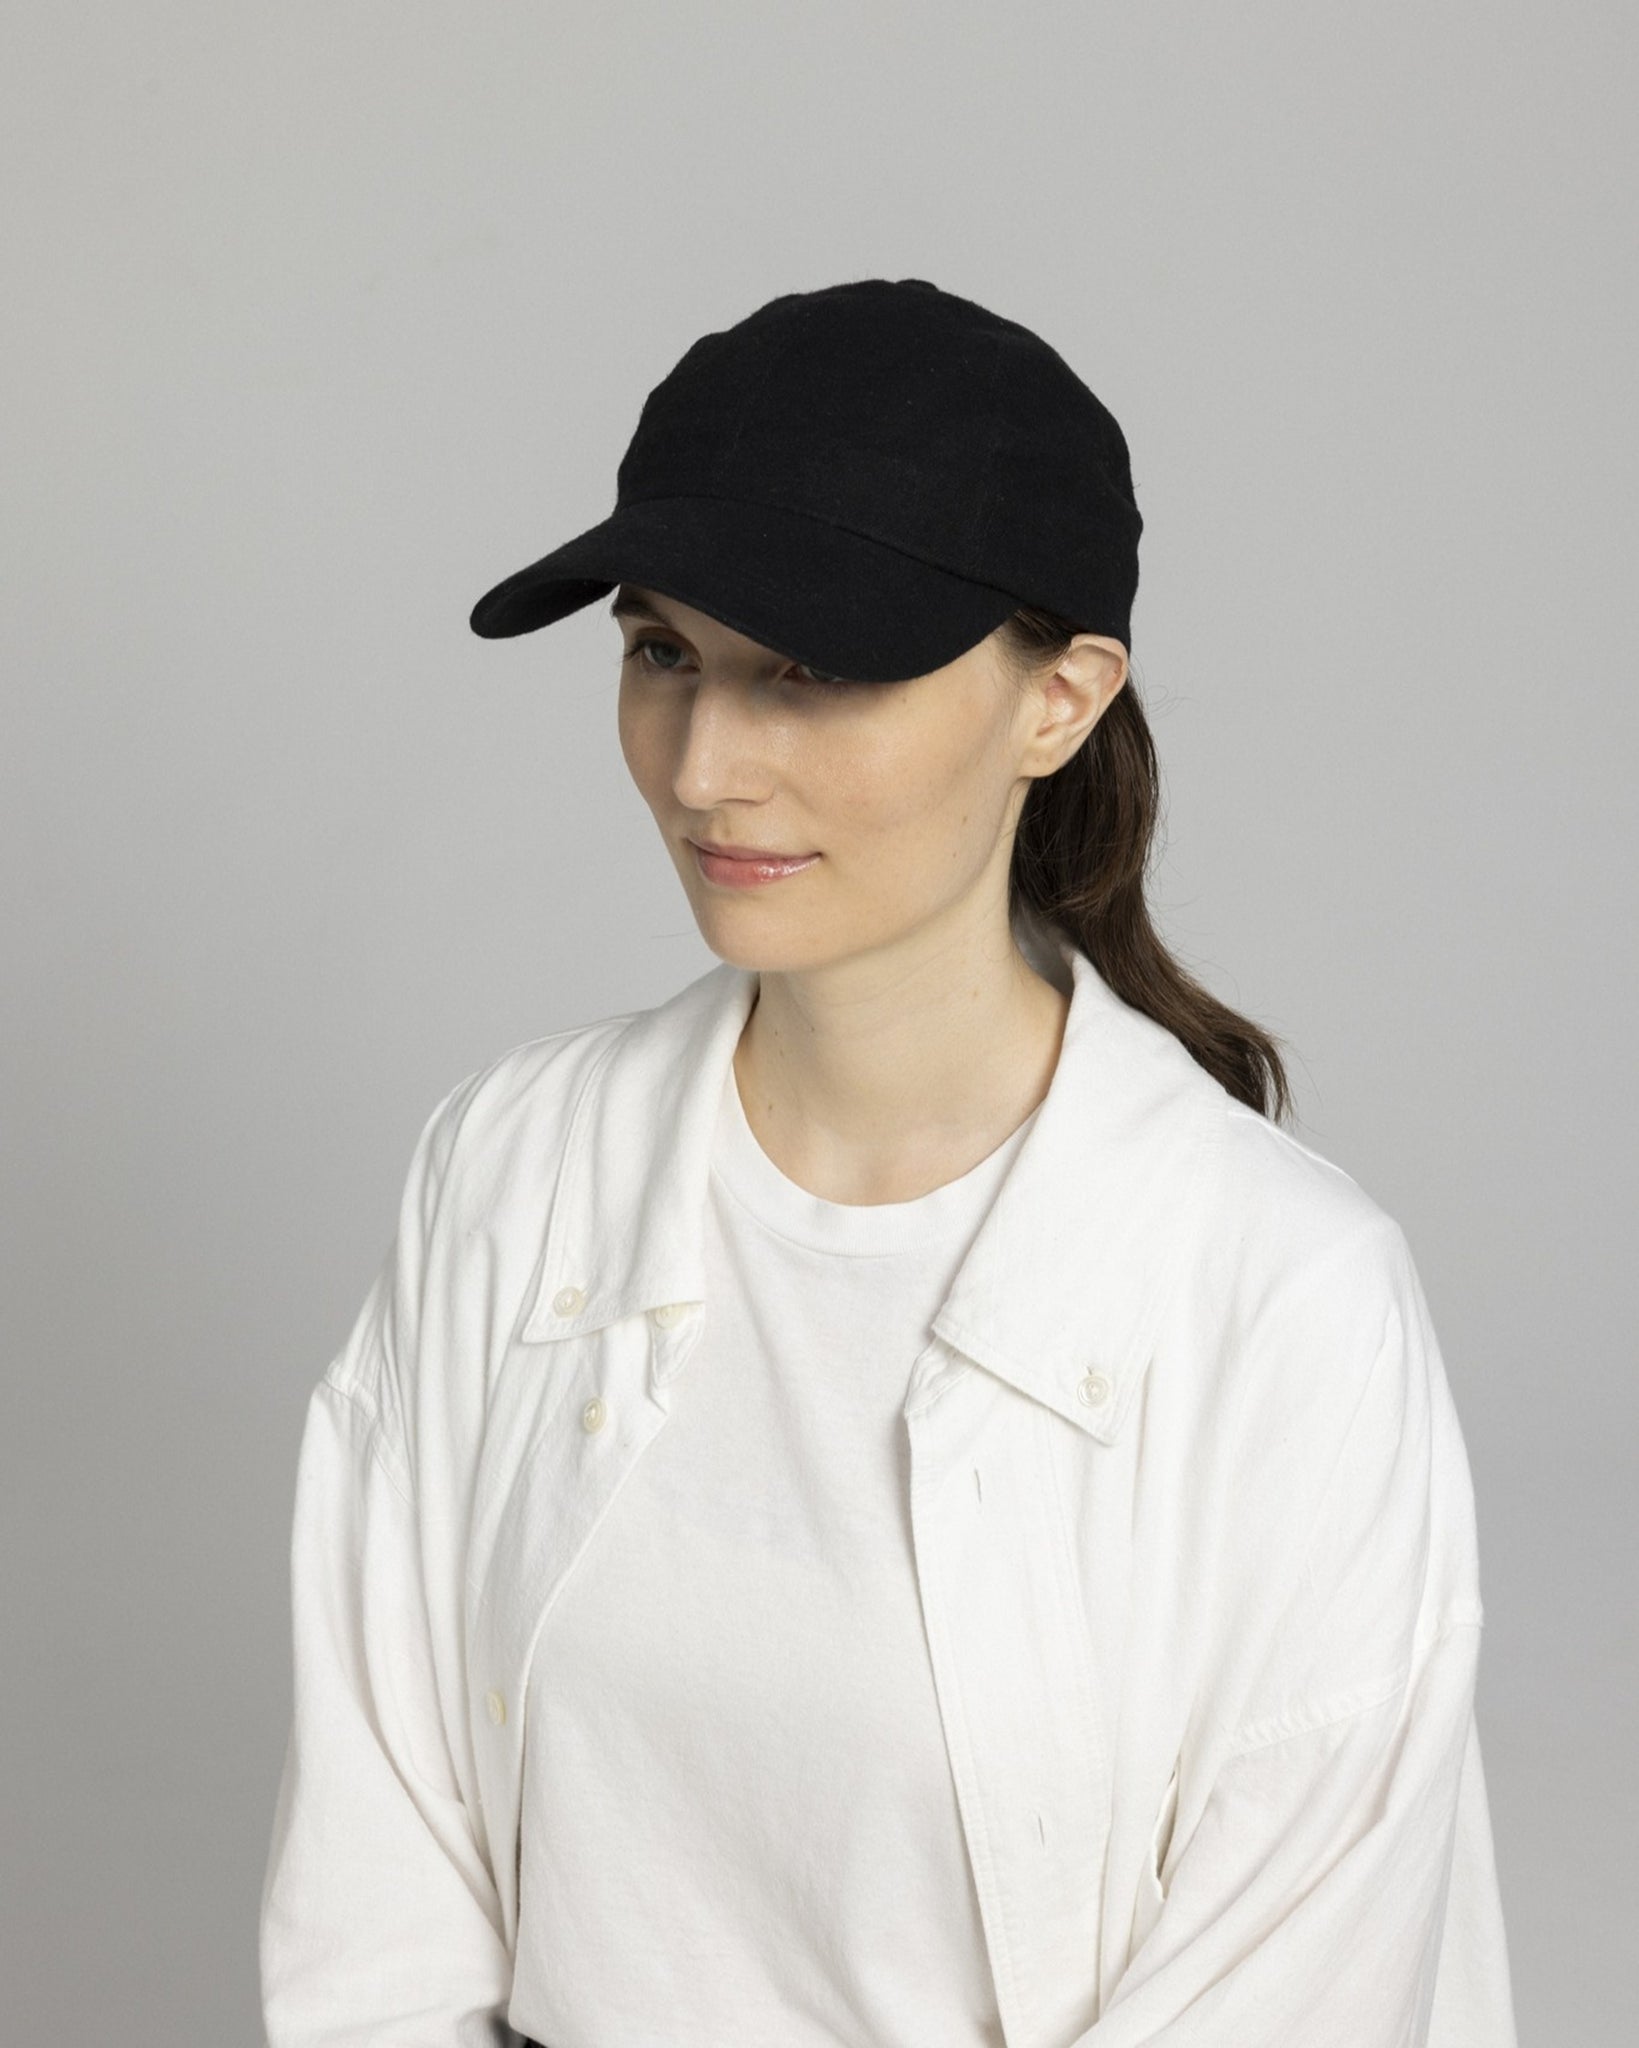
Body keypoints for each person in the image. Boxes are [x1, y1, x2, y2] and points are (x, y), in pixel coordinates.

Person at [258, 277, 1517, 2046]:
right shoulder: (511, 1169)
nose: (707, 768)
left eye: (815, 670)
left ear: (1059, 701)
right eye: (663, 653)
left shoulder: (1281, 1296)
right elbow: (378, 1894)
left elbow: (1296, 1985)